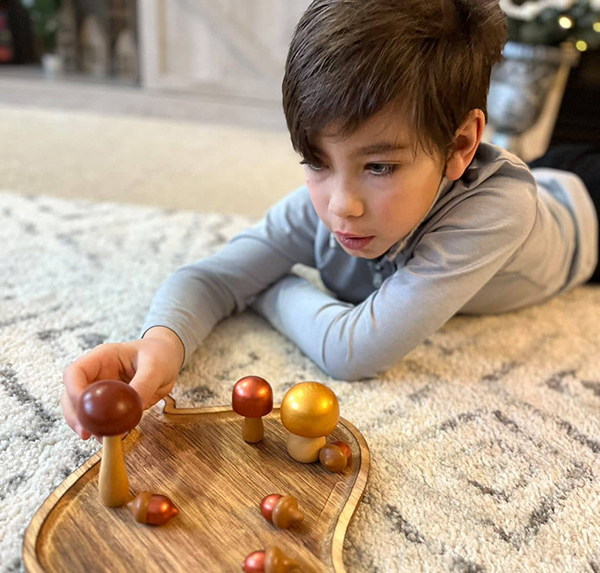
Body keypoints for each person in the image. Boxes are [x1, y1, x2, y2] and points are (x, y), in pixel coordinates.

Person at [61, 0, 599, 440]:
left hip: (584, 210)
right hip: (549, 168)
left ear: (460, 146)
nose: (342, 205)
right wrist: (160, 342)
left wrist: (270, 287)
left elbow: (353, 350)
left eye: (379, 166)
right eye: (317, 162)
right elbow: (208, 277)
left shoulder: (496, 211)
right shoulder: (318, 210)